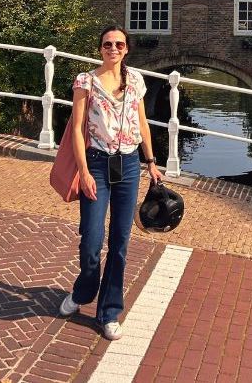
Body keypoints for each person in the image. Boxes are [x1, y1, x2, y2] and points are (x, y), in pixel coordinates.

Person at [58, 25, 164, 340]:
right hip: (98, 165)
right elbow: (77, 129)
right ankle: (83, 291)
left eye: (119, 44)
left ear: (126, 49)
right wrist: (84, 172)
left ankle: (109, 311)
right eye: (107, 44)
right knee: (91, 240)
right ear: (100, 48)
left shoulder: (136, 81)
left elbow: (142, 122)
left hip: (129, 165)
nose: (113, 49)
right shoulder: (85, 82)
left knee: (120, 243)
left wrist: (152, 162)